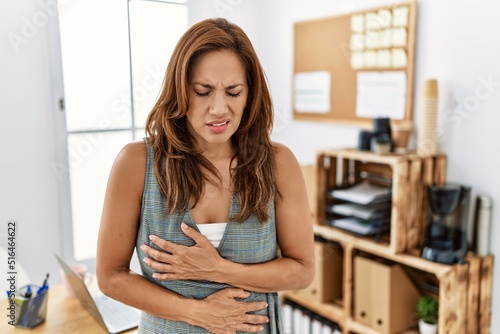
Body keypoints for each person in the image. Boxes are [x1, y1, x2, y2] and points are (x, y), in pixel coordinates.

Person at [96, 17, 314, 334]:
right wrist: (198, 313)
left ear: (250, 95)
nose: (218, 109)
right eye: (203, 92)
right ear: (180, 91)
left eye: (233, 92)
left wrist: (219, 269)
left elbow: (302, 271)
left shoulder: (279, 164)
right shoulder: (136, 163)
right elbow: (110, 277)